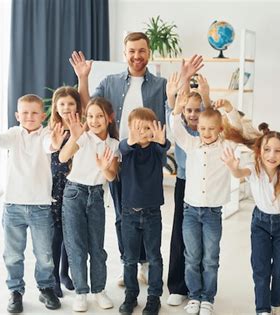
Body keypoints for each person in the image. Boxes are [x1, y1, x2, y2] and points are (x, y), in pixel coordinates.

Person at [69, 31, 203, 285]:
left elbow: (178, 108)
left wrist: (184, 79)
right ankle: (128, 261)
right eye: (132, 51)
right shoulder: (110, 82)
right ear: (125, 53)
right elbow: (89, 109)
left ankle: (145, 262)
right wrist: (82, 79)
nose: (136, 56)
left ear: (148, 53)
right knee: (123, 215)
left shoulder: (161, 84)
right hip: (121, 157)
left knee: (150, 215)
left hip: (150, 159)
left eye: (141, 51)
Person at [170, 91, 254, 315]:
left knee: (210, 258)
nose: (207, 133)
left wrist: (229, 109)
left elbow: (238, 130)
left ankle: (208, 298)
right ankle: (194, 296)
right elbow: (176, 128)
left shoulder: (226, 146)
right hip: (190, 211)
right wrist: (177, 107)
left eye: (212, 129)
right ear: (198, 128)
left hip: (213, 213)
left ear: (219, 129)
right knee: (192, 257)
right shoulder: (192, 144)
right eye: (203, 128)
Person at [0, 94, 61, 313]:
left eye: (34, 113)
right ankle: (15, 291)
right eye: (24, 113)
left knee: (44, 254)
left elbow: (49, 145)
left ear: (43, 115)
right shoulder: (14, 134)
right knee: (13, 254)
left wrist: (56, 142)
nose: (29, 117)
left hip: (40, 206)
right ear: (17, 115)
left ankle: (45, 288)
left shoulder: (46, 134)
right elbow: (0, 141)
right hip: (13, 205)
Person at [221, 123, 280, 315]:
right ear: (260, 151)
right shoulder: (253, 169)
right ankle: (262, 309)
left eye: (277, 151)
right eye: (267, 150)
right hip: (260, 224)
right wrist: (232, 168)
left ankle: (276, 302)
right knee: (261, 269)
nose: (271, 155)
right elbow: (240, 173)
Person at [58, 97, 120, 312]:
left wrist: (104, 167)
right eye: (90, 116)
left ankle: (99, 290)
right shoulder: (83, 137)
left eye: (99, 116)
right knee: (76, 247)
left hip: (95, 196)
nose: (94, 121)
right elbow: (63, 157)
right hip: (74, 193)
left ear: (109, 118)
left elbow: (111, 177)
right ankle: (81, 292)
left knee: (97, 247)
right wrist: (74, 137)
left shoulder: (114, 145)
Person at [117, 108, 170, 315]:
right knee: (129, 258)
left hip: (152, 213)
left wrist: (161, 140)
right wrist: (132, 138)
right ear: (129, 129)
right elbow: (124, 146)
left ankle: (153, 297)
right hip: (129, 213)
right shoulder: (127, 149)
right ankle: (131, 295)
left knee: (154, 256)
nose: (142, 132)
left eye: (147, 128)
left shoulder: (156, 149)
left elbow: (166, 146)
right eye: (137, 128)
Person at [165, 73, 211, 307]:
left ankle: (202, 288)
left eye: (198, 109)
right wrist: (173, 100)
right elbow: (172, 118)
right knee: (180, 235)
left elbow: (214, 119)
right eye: (189, 110)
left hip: (206, 186)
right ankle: (177, 286)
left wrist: (207, 97)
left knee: (205, 240)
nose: (193, 114)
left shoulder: (207, 129)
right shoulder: (181, 128)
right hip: (184, 184)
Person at [47, 86, 81, 297]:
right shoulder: (52, 130)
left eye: (70, 103)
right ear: (56, 107)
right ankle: (52, 278)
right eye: (62, 104)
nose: (66, 108)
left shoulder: (82, 127)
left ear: (77, 106)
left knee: (71, 232)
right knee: (57, 234)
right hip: (56, 188)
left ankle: (64, 273)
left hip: (76, 186)